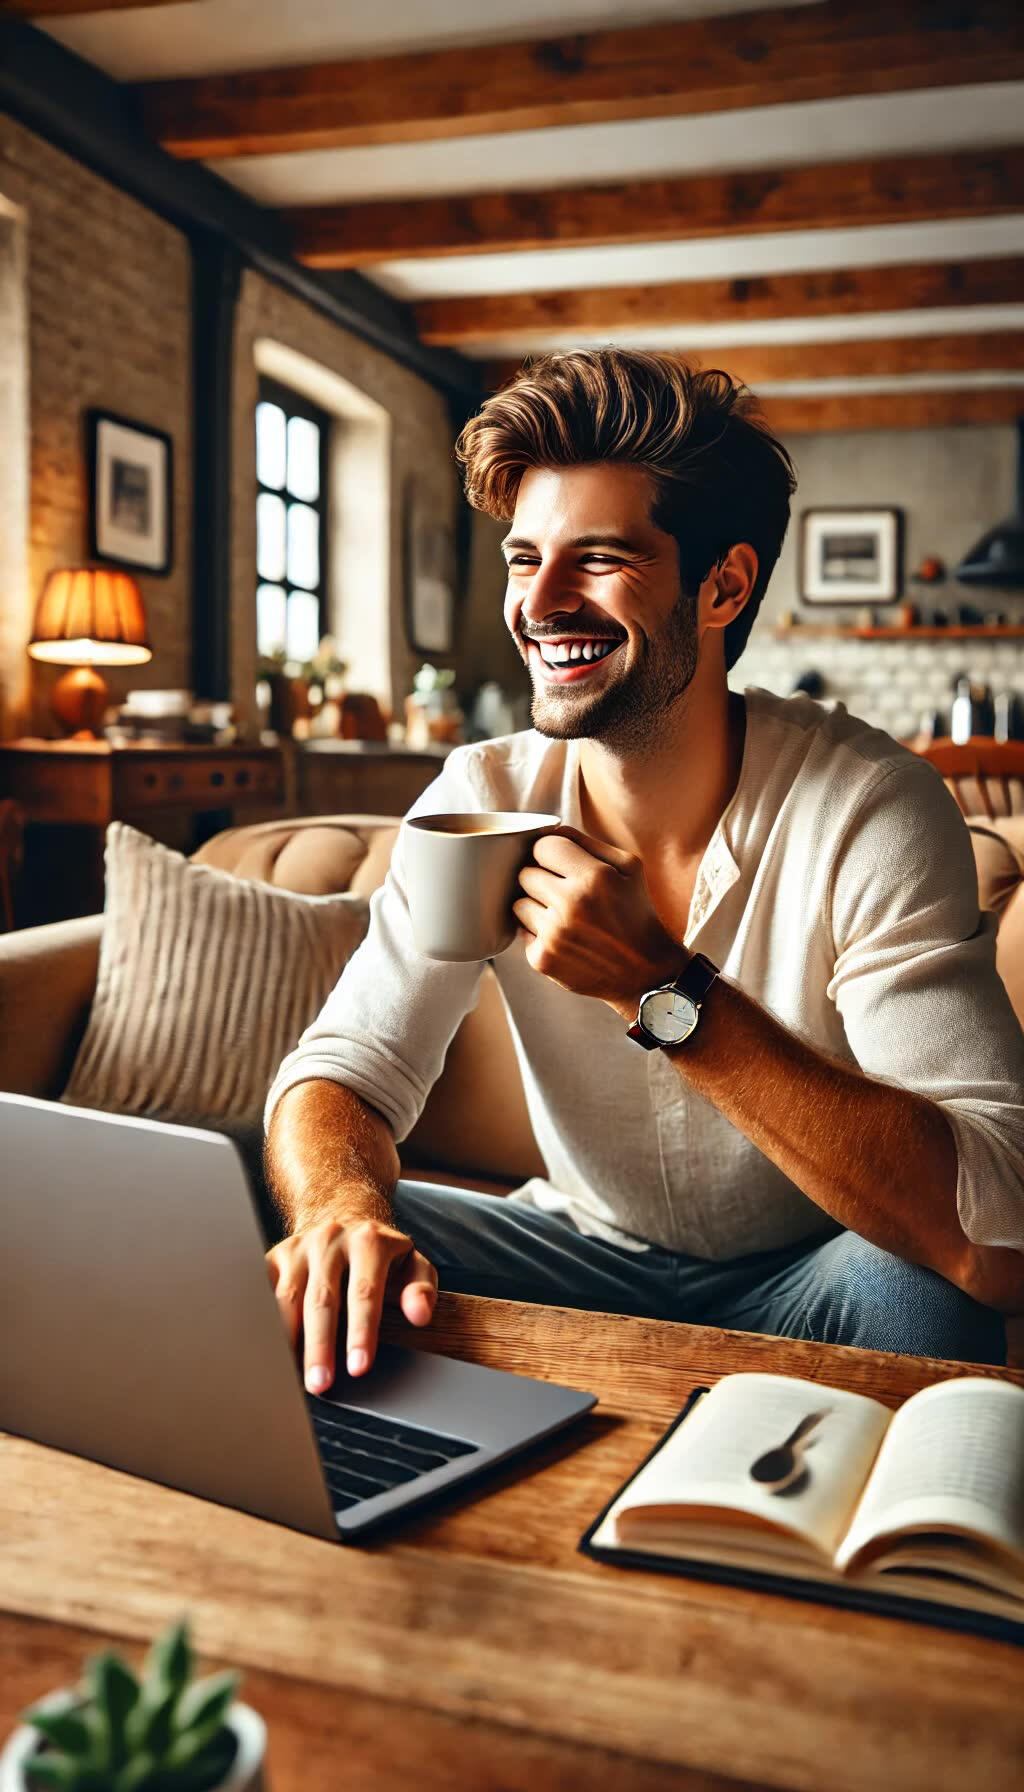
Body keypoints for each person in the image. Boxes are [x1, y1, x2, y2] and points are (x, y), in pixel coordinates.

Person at [264, 349, 1024, 1390]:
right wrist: (340, 1210)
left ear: (722, 585)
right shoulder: (480, 794)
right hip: (569, 1255)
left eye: (600, 558)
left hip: (816, 1275)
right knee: (265, 1210)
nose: (543, 602)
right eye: (525, 558)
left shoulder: (870, 806)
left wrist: (666, 991)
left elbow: (996, 1223)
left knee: (933, 1291)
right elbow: (344, 1069)